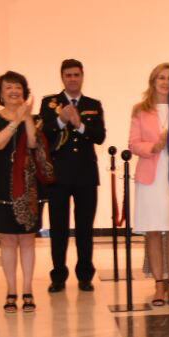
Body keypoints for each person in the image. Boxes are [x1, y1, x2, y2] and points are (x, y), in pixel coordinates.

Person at [0, 72, 51, 313]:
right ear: (0, 93)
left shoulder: (36, 118)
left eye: (18, 87)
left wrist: (27, 118)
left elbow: (33, 143)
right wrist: (15, 121)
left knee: (28, 240)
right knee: (8, 240)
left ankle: (28, 289)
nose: (14, 91)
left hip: (29, 188)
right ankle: (11, 290)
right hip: (1, 186)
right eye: (8, 87)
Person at [40, 58, 105, 293]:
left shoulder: (92, 104)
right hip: (59, 175)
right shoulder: (50, 103)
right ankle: (58, 275)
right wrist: (61, 120)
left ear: (82, 76)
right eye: (68, 75)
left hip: (86, 174)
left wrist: (79, 125)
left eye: (76, 74)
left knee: (85, 228)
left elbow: (99, 136)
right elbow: (44, 132)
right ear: (62, 77)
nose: (72, 79)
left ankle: (85, 275)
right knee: (58, 227)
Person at [129, 63, 169, 307]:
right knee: (152, 230)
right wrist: (154, 147)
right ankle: (158, 285)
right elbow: (133, 143)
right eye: (161, 78)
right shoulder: (141, 110)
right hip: (150, 177)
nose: (165, 82)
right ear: (153, 81)